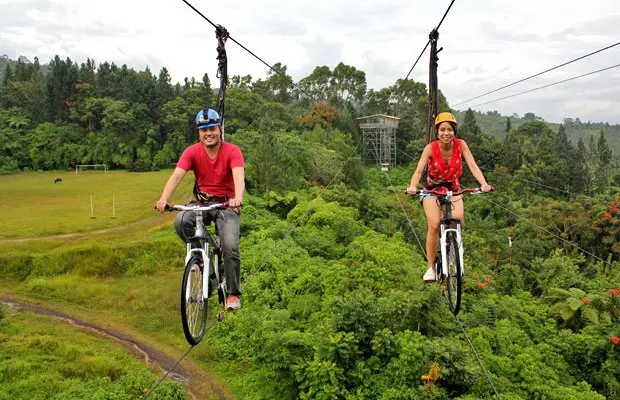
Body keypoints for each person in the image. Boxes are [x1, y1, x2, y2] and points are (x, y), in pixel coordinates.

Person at [155, 108, 245, 310]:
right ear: (199, 133)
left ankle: (232, 294)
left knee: (230, 246)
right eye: (204, 130)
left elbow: (239, 176)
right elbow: (177, 175)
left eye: (212, 128)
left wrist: (237, 198)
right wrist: (163, 199)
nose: (208, 134)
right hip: (202, 202)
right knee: (181, 222)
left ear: (219, 129)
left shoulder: (232, 151)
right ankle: (203, 261)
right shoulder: (192, 152)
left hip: (226, 204)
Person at [406, 112, 492, 282]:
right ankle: (431, 267)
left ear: (454, 132)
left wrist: (484, 183)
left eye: (450, 130)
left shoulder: (461, 145)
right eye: (442, 130)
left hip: (453, 187)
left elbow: (473, 166)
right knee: (434, 224)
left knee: (458, 218)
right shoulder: (430, 148)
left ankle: (453, 250)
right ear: (437, 132)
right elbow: (419, 170)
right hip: (432, 189)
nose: (446, 133)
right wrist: (412, 186)